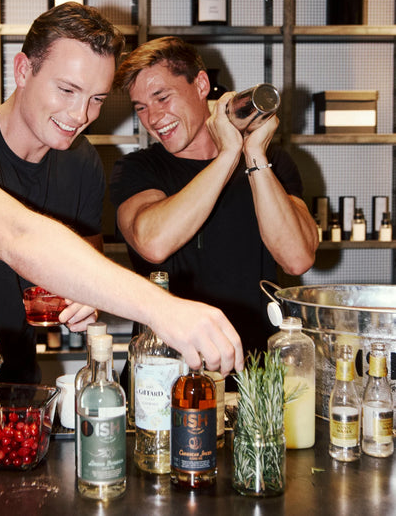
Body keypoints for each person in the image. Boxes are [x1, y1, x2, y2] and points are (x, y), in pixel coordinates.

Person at [0, 6, 243, 383]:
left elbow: (84, 266)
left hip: (16, 385)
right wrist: (162, 308)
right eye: (67, 90)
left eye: (97, 99)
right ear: (23, 70)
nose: (80, 114)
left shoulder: (81, 161)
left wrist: (85, 300)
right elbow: (17, 237)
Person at [110, 36, 319, 363]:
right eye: (141, 108)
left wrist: (252, 152)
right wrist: (228, 155)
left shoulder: (270, 161)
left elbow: (297, 258)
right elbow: (153, 242)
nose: (153, 118)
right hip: (168, 368)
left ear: (201, 85)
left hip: (255, 370)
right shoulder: (137, 168)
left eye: (162, 97)